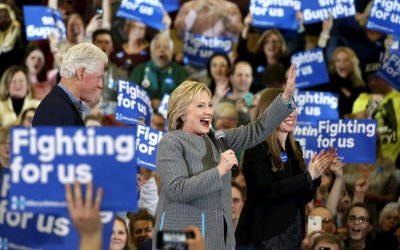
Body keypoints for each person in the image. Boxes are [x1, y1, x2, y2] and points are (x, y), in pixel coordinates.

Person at [153, 65, 297, 250]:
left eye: (210, 105)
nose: (208, 112)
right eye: (200, 106)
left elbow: (256, 130)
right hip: (179, 237)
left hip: (217, 236)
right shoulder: (170, 141)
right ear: (181, 113)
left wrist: (284, 98)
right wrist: (219, 170)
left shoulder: (217, 138)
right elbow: (177, 189)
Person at [235, 88, 340, 249]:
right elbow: (267, 190)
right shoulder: (255, 147)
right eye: (285, 108)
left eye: (293, 107)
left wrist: (316, 174)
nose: (291, 113)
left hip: (291, 237)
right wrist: (307, 176)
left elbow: (302, 198)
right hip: (260, 239)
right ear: (269, 112)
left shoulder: (294, 148)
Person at [32, 43, 108, 126]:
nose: (100, 85)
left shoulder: (61, 105)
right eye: (98, 77)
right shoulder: (56, 111)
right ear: (81, 73)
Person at [128, 33, 188, 109]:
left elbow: (186, 101)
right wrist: (149, 103)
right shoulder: (139, 70)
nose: (162, 50)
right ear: (151, 52)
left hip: (170, 117)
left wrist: (165, 107)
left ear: (172, 52)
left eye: (166, 47)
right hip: (142, 116)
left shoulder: (181, 72)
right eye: (157, 47)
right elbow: (130, 97)